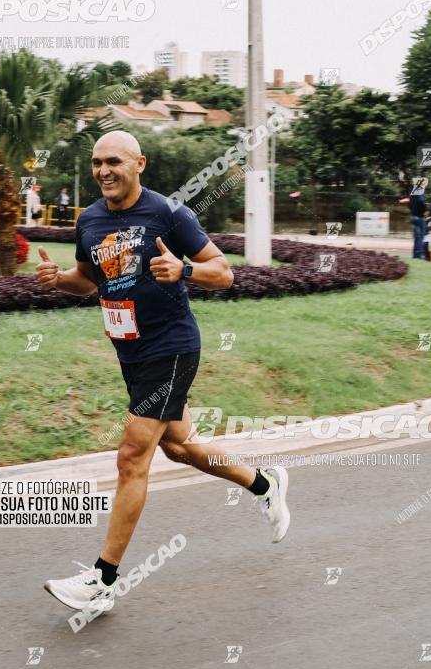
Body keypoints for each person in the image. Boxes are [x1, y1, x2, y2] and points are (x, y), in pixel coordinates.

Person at [36, 130, 290, 614]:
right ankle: (264, 483)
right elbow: (88, 281)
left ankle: (102, 580)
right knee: (178, 447)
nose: (104, 171)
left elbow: (224, 271)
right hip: (130, 351)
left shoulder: (169, 214)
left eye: (114, 161)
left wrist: (185, 271)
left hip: (171, 347)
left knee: (133, 456)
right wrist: (58, 282)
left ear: (139, 164)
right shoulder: (89, 220)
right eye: (96, 163)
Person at [409, 184, 427, 259]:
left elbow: (409, 205)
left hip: (413, 216)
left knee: (417, 237)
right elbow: (421, 201)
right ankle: (420, 254)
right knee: (421, 237)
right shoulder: (420, 191)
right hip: (420, 217)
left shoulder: (412, 193)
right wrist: (424, 211)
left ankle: (415, 254)